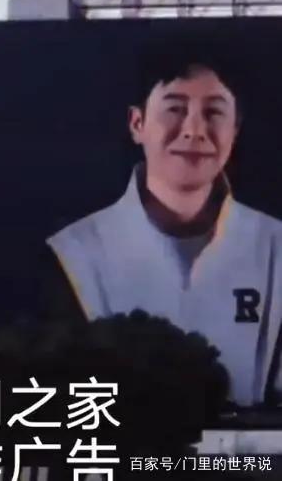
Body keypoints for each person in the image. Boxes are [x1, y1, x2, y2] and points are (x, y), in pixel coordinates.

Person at [46, 36, 282, 407]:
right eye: (175, 108)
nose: (194, 129)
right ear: (137, 123)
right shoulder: (75, 252)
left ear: (235, 129)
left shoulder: (275, 247)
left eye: (214, 112)